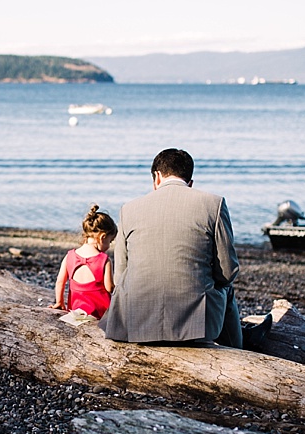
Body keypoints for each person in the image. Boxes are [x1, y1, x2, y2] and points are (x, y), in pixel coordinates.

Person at [100, 148, 271, 351]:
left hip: (135, 322)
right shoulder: (213, 204)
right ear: (190, 183)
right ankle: (240, 349)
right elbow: (228, 272)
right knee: (227, 289)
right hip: (194, 327)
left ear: (157, 177)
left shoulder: (128, 209)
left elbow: (120, 276)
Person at [50, 204, 118, 319]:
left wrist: (60, 302)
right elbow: (109, 288)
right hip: (100, 313)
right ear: (102, 237)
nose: (109, 245)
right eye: (110, 241)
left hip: (76, 310)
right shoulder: (104, 260)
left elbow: (60, 282)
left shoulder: (69, 256)